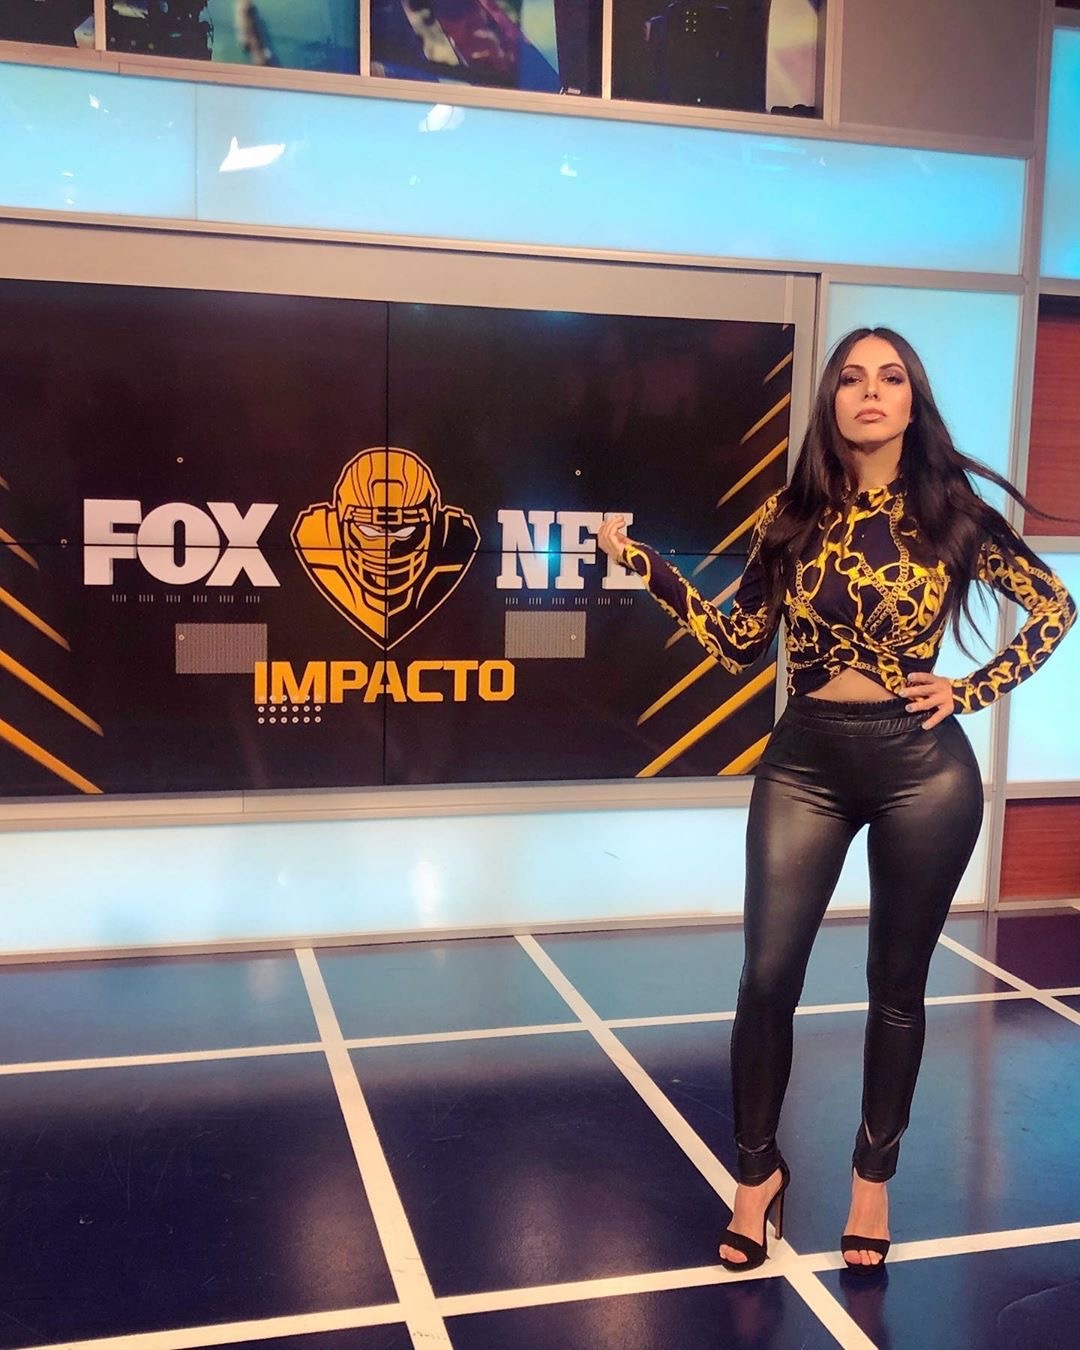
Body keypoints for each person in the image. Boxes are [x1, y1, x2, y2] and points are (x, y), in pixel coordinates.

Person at [597, 328, 1077, 1274]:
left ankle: (871, 1180)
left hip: (923, 769)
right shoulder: (792, 513)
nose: (870, 392)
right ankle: (756, 1176)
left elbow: (1056, 606)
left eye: (890, 378)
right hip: (806, 761)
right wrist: (649, 567)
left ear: (911, 400)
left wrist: (970, 689)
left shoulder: (951, 512)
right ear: (831, 401)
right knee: (766, 979)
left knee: (896, 989)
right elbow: (738, 644)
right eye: (852, 378)